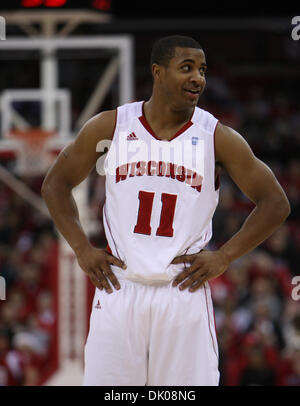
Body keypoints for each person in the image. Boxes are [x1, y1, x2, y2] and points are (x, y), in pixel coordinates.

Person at [41, 35, 290, 386]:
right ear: (158, 72)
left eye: (202, 70)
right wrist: (82, 249)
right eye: (186, 68)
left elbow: (276, 202)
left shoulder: (216, 137)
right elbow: (55, 184)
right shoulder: (112, 126)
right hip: (119, 288)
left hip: (182, 292)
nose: (198, 78)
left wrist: (224, 257)